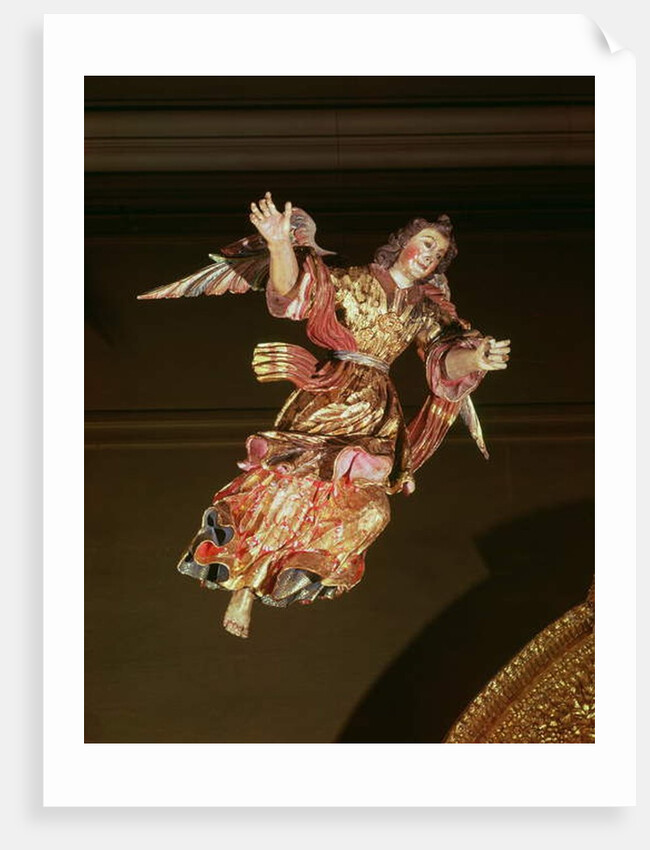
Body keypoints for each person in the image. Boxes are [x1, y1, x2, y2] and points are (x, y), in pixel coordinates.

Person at [141, 192, 510, 638]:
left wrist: (477, 361)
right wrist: (279, 245)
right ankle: (248, 583)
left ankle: (297, 566)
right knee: (287, 488)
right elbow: (293, 293)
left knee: (371, 509)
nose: (428, 258)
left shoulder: (424, 310)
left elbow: (442, 363)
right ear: (402, 243)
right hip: (330, 396)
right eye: (424, 244)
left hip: (376, 415)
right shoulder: (352, 281)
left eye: (437, 255)